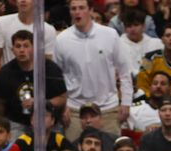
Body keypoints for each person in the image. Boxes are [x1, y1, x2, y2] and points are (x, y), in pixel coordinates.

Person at [54, 0, 132, 140]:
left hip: (108, 109)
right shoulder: (61, 40)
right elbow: (57, 78)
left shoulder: (110, 35)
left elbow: (124, 71)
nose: (77, 12)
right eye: (74, 9)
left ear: (90, 10)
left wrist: (126, 102)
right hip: (75, 111)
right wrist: (62, 107)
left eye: (81, 8)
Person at [0, 30, 68, 142]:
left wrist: (40, 102)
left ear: (34, 48)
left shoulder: (50, 68)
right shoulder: (6, 72)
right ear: (12, 50)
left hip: (48, 120)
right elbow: (0, 103)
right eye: (18, 46)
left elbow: (62, 98)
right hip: (17, 122)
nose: (22, 50)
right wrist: (1, 126)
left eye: (26, 46)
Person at [0, 0, 56, 69]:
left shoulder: (48, 30)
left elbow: (48, 64)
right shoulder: (1, 23)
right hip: (7, 77)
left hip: (34, 78)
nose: (23, 0)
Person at [136, 22, 171, 97]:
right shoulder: (147, 57)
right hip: (151, 100)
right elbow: (141, 84)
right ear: (162, 39)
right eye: (167, 35)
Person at [119, 9, 163, 78]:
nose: (132, 29)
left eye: (136, 25)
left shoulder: (156, 43)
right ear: (124, 28)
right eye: (129, 26)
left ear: (143, 26)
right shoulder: (118, 45)